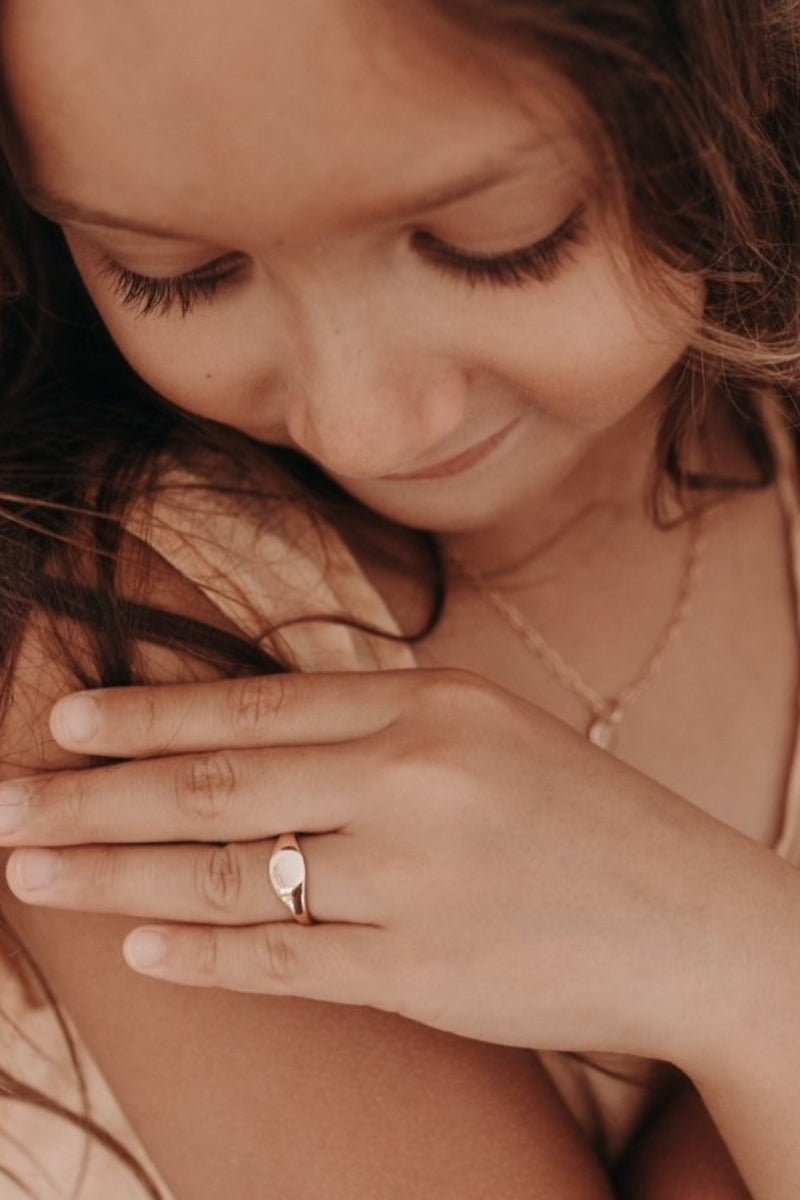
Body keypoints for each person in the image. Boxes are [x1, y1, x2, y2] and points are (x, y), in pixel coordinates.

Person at [0, 0, 798, 1196]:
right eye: (176, 275)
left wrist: (745, 963)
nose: (362, 424)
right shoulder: (112, 635)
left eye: (498, 239)